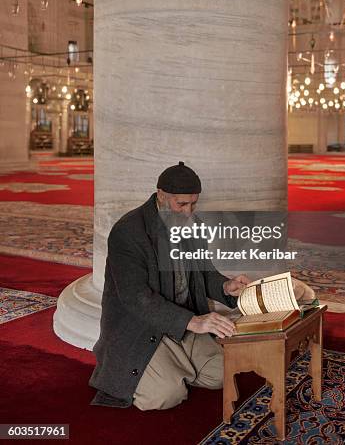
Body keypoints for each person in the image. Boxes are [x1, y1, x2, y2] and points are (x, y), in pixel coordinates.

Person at [89, 161, 250, 409]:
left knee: (223, 373)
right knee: (165, 396)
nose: (188, 211)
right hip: (143, 326)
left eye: (193, 203)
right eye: (182, 204)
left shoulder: (192, 225)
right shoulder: (129, 232)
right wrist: (194, 322)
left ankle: (176, 365)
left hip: (184, 321)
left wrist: (226, 287)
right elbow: (136, 298)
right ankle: (168, 368)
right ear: (161, 195)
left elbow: (204, 273)